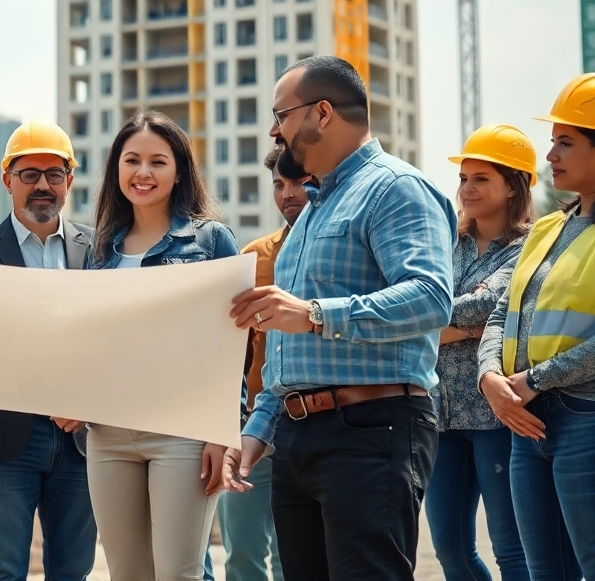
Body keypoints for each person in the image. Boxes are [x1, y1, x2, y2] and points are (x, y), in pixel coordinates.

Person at [222, 55, 455, 580]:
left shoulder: (395, 188)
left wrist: (313, 313)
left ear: (322, 113)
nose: (273, 129)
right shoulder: (314, 208)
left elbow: (430, 299)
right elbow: (287, 351)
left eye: (281, 114)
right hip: (297, 438)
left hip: (371, 430)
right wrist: (259, 430)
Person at [477, 73, 595, 581]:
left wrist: (535, 379)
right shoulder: (550, 227)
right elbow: (502, 312)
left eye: (565, 142)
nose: (550, 153)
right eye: (552, 141)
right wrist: (490, 377)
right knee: (544, 572)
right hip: (527, 420)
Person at [84, 111, 236, 581]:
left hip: (182, 433)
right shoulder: (101, 250)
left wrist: (221, 431)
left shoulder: (210, 240)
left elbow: (234, 344)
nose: (143, 173)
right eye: (132, 161)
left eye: (157, 162)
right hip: (107, 435)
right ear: (116, 170)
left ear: (179, 170)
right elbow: (91, 341)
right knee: (126, 574)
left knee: (178, 574)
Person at [0, 119, 98, 581]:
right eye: (29, 174)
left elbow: (108, 342)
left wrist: (89, 401)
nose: (42, 185)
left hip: (80, 439)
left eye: (54, 174)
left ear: (70, 181)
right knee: (3, 569)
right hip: (5, 439)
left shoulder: (98, 249)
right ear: (7, 180)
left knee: (73, 569)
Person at [426, 125, 535, 581]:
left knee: (513, 550)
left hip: (498, 416)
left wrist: (430, 322)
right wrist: (462, 329)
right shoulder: (444, 242)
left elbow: (487, 304)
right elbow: (420, 300)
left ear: (512, 185)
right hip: (439, 416)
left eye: (481, 178)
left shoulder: (531, 247)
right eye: (464, 178)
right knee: (450, 548)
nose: (467, 188)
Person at [216, 144, 309, 581]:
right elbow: (232, 349)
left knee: (300, 554)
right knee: (243, 553)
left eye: (297, 183)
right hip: (254, 426)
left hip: (316, 422)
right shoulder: (254, 257)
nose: (287, 193)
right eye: (279, 184)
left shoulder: (336, 253)